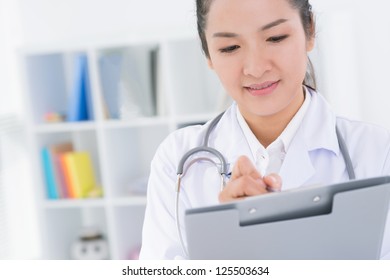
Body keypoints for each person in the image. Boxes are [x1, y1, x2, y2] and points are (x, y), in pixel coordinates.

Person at [139, 0, 390, 259]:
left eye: (275, 37)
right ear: (208, 54)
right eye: (230, 47)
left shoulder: (377, 153)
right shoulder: (178, 162)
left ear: (310, 31)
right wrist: (228, 243)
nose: (256, 68)